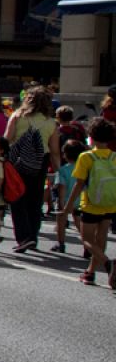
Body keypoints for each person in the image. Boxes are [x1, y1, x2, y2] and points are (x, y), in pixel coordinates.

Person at [4, 86, 60, 254]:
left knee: (17, 198)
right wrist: (58, 171)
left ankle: (23, 237)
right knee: (35, 200)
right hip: (40, 160)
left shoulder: (17, 116)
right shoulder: (51, 123)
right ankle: (33, 237)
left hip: (18, 159)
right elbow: (55, 150)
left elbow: (6, 139)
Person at [68, 119, 116, 286]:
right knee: (101, 238)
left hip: (91, 204)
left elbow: (79, 183)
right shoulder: (114, 156)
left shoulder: (87, 156)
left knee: (86, 239)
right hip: (110, 203)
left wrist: (68, 206)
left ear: (91, 136)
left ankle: (108, 263)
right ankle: (90, 273)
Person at [52, 137, 85, 254]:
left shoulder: (63, 170)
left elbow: (62, 187)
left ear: (65, 155)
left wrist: (61, 203)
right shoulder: (84, 168)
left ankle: (60, 243)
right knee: (79, 223)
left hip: (65, 200)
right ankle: (87, 246)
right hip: (81, 201)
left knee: (61, 222)